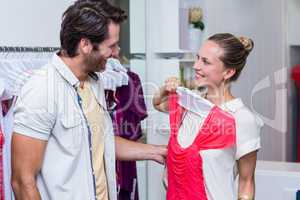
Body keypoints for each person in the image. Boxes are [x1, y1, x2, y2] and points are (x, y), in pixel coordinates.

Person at [11, 1, 166, 200]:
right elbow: (22, 181)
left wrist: (156, 151)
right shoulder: (42, 89)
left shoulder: (94, 82)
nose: (117, 52)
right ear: (85, 44)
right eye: (111, 45)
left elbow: (100, 141)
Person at [153, 33, 263, 200]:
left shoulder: (241, 118)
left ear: (228, 72)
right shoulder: (191, 104)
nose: (196, 66)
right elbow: (158, 103)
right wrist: (166, 88)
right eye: (198, 58)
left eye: (206, 62)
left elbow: (246, 182)